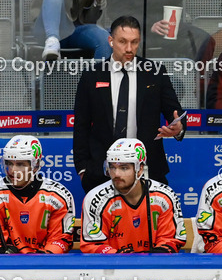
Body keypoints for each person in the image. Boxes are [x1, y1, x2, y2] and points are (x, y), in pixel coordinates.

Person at [73, 15, 186, 193]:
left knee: (153, 220)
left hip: (148, 170)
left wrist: (178, 127)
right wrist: (82, 169)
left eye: (134, 42)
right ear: (111, 41)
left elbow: (174, 111)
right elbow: (81, 125)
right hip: (101, 171)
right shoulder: (92, 75)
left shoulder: (155, 73)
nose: (129, 48)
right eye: (122, 41)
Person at [80, 138, 187, 254]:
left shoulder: (164, 196)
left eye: (124, 168)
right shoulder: (96, 199)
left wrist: (156, 256)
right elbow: (93, 244)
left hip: (154, 268)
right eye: (112, 167)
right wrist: (118, 255)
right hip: (112, 267)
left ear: (140, 169)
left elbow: (170, 239)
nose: (116, 174)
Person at [0, 136, 75, 255]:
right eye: (9, 163)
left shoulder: (57, 196)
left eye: (20, 164)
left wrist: (44, 256)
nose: (12, 170)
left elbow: (60, 239)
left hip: (45, 264)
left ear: (36, 165)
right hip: (3, 263)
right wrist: (1, 251)